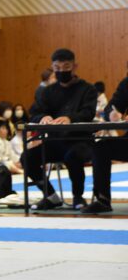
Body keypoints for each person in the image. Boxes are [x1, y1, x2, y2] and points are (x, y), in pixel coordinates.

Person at [23, 48, 96, 210]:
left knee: (73, 156)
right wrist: (42, 117)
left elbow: (88, 112)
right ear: (52, 67)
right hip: (55, 140)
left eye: (66, 66)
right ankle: (50, 195)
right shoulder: (48, 91)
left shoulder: (87, 89)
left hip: (81, 141)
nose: (62, 71)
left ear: (75, 67)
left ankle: (78, 196)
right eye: (57, 68)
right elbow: (34, 112)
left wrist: (70, 118)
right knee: (27, 158)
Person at [81, 75, 128, 214]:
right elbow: (110, 108)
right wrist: (113, 113)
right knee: (101, 146)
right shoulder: (126, 84)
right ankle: (102, 199)